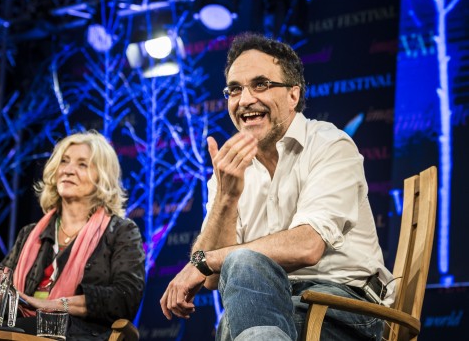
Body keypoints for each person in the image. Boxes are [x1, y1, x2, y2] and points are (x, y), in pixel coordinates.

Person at [160, 32, 394, 341]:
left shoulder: (330, 144)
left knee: (241, 281)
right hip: (263, 306)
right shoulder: (229, 169)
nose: (245, 100)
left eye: (260, 84)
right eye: (234, 90)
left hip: (344, 309)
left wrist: (205, 260)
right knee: (238, 305)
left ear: (293, 95)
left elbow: (308, 245)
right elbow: (214, 280)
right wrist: (226, 199)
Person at [1, 130, 146, 340]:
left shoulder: (121, 232)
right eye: (64, 162)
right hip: (19, 329)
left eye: (82, 165)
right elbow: (2, 285)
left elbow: (125, 298)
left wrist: (55, 306)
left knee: (34, 326)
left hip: (79, 333)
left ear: (102, 177)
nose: (68, 170)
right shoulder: (30, 234)